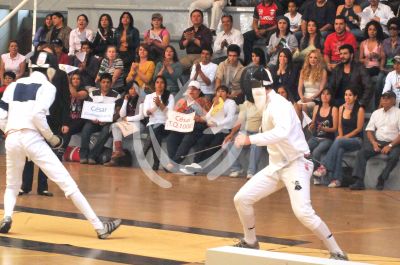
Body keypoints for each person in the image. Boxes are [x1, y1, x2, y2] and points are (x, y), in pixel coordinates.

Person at [0, 51, 121, 238]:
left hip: (12, 138)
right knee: (67, 183)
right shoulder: (48, 87)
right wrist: (51, 138)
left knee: (12, 184)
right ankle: (100, 227)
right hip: (33, 138)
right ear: (50, 70)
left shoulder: (13, 85)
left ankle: (7, 216)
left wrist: (9, 131)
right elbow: (36, 115)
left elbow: (1, 117)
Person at [232, 67, 348, 260]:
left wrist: (250, 140)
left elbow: (282, 132)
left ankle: (337, 252)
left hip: (296, 165)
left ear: (258, 87)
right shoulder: (267, 105)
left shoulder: (280, 105)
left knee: (303, 212)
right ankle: (251, 241)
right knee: (242, 199)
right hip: (276, 166)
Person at [313, 87, 365, 188]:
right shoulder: (341, 108)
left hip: (356, 140)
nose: (347, 97)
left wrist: (344, 137)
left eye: (350, 95)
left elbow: (358, 129)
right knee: (339, 149)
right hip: (343, 140)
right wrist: (341, 136)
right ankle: (337, 179)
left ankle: (324, 166)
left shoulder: (360, 109)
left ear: (355, 97)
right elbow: (340, 126)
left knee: (339, 142)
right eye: (346, 95)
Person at [350, 90, 400, 190]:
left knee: (394, 156)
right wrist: (373, 143)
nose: (385, 101)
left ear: (394, 101)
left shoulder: (398, 113)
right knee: (362, 153)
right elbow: (369, 130)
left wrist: (390, 146)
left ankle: (382, 178)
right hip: (378, 141)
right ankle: (359, 181)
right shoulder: (376, 113)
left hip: (394, 142)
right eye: (383, 98)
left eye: (388, 99)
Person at [182, 85, 237, 174]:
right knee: (201, 141)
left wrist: (217, 123)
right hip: (214, 128)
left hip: (224, 129)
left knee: (212, 147)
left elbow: (230, 118)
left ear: (227, 94)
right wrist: (200, 118)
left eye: (223, 91)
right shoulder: (216, 102)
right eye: (218, 91)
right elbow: (209, 116)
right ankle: (194, 165)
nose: (220, 93)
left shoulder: (231, 103)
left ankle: (195, 167)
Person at [165, 80, 211, 172]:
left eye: (194, 89)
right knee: (171, 138)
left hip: (196, 127)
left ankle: (173, 164)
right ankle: (175, 163)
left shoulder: (204, 101)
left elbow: (209, 117)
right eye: (190, 88)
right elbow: (175, 115)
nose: (191, 91)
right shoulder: (183, 102)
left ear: (199, 91)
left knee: (187, 139)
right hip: (182, 127)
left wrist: (200, 118)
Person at [80, 73, 122, 165]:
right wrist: (91, 119)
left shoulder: (116, 95)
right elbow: (87, 109)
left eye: (108, 82)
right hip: (93, 121)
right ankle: (83, 156)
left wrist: (108, 120)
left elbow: (118, 113)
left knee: (105, 132)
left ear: (111, 84)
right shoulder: (93, 94)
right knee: (86, 130)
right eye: (103, 82)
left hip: (107, 122)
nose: (105, 84)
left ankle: (92, 156)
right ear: (100, 83)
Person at [105, 82, 144, 167]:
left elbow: (141, 116)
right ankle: (118, 151)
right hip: (128, 125)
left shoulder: (141, 99)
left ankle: (114, 158)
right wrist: (125, 101)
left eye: (135, 88)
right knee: (114, 126)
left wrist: (128, 119)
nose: (133, 91)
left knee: (116, 132)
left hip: (138, 125)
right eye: (131, 89)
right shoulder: (127, 99)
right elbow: (122, 115)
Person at [143, 75, 174, 170]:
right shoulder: (149, 96)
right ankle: (156, 162)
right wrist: (154, 108)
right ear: (154, 84)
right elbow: (145, 113)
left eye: (162, 82)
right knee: (155, 132)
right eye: (157, 82)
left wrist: (160, 105)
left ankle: (147, 154)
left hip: (165, 124)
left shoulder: (169, 96)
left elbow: (170, 114)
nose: (159, 84)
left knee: (155, 131)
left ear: (165, 85)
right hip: (152, 123)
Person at [307, 88, 338, 184]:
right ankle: (306, 174)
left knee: (316, 151)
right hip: (315, 137)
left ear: (331, 96)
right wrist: (311, 126)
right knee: (305, 149)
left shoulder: (334, 109)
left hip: (327, 138)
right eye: (323, 94)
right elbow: (313, 124)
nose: (325, 96)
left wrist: (324, 129)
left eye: (327, 94)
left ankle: (317, 176)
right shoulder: (317, 107)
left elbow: (335, 128)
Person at [243, 0, 281, 65]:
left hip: (273, 29)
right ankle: (249, 62)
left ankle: (268, 63)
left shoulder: (277, 6)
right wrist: (256, 30)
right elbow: (254, 22)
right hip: (261, 28)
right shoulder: (258, 6)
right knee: (245, 36)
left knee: (269, 39)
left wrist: (266, 30)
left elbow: (279, 24)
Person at [62, 72, 89, 149]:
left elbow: (76, 95)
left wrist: (68, 83)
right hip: (68, 118)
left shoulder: (85, 92)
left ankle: (60, 152)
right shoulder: (66, 91)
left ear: (81, 81)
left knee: (68, 130)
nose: (75, 80)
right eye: (73, 79)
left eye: (78, 79)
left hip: (79, 119)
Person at [297, 49, 327, 114]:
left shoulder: (323, 72)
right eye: (311, 57)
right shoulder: (303, 71)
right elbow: (300, 87)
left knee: (304, 106)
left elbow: (321, 89)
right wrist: (302, 97)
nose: (312, 59)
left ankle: (307, 124)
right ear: (308, 59)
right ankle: (300, 124)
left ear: (318, 60)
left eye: (315, 58)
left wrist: (311, 99)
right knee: (297, 106)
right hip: (305, 97)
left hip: (316, 99)